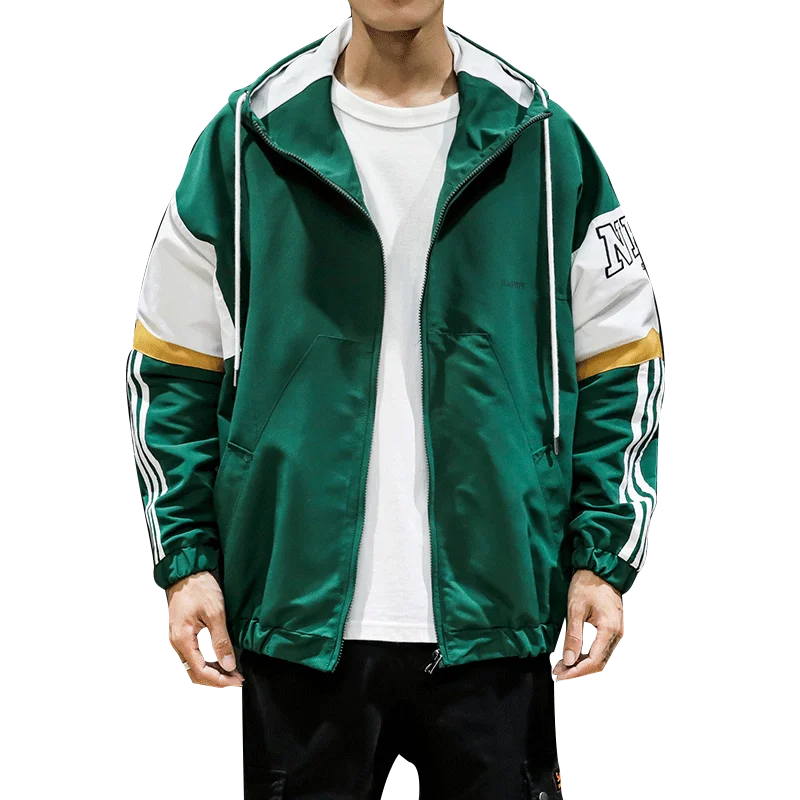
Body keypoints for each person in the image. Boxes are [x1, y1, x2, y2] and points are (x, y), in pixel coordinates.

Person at [125, 3, 664, 798]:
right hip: (297, 616)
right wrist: (188, 563)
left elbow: (623, 358)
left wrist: (601, 559)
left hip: (499, 612)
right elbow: (173, 363)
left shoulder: (542, 141)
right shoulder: (248, 139)